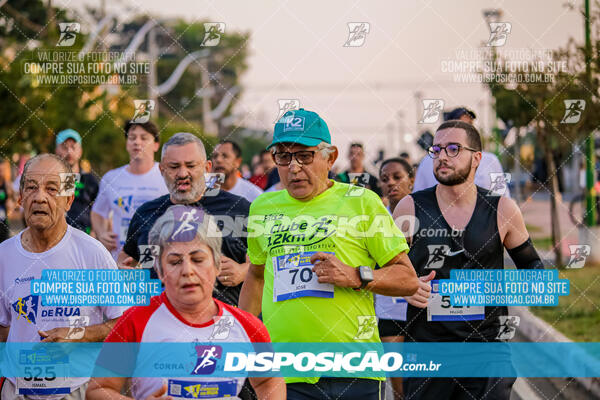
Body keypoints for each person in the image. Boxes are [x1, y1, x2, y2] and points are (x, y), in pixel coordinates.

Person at [239, 108, 419, 399]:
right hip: (285, 372)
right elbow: (256, 275)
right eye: (283, 157)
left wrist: (355, 275)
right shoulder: (263, 206)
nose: (294, 167)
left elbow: (407, 279)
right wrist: (242, 337)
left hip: (352, 369)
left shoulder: (362, 203)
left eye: (304, 155)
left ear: (330, 157)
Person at [393, 120, 544, 400]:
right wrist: (407, 287)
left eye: (453, 149)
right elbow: (387, 273)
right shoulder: (410, 208)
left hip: (487, 352)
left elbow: (534, 271)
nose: (442, 157)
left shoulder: (502, 209)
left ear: (477, 158)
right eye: (436, 150)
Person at [87, 205, 286, 400]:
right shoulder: (136, 321)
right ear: (161, 271)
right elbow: (97, 390)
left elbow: (269, 380)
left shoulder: (246, 326)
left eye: (198, 259)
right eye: (175, 262)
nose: (187, 271)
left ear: (217, 265)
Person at [0, 154, 124, 399]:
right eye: (31, 188)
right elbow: (3, 329)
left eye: (52, 189)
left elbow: (123, 323)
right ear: (22, 198)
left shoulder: (92, 254)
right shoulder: (3, 256)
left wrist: (77, 334)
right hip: (16, 390)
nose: (40, 197)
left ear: (68, 200)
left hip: (75, 390)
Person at [119, 132, 251, 307]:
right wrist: (124, 275)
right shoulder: (146, 213)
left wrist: (243, 271)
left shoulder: (239, 208)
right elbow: (126, 260)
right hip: (162, 325)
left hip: (222, 326)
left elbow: (268, 263)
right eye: (174, 167)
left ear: (207, 167)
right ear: (162, 169)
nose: (182, 173)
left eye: (191, 165)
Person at [91, 121, 168, 260]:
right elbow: (97, 212)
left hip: (158, 261)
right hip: (120, 261)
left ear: (156, 145)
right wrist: (102, 234)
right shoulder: (111, 178)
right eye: (132, 138)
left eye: (144, 138)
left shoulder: (167, 176)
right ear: (127, 143)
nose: (137, 142)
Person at [375, 157, 415, 400]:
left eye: (397, 177)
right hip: (390, 311)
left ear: (411, 180)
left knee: (427, 384)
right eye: (384, 179)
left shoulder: (429, 213)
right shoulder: (374, 218)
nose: (391, 183)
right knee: (399, 389)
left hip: (423, 311)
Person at [413, 107, 511, 196]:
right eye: (461, 125)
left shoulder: (490, 160)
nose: (468, 129)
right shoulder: (427, 162)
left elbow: (502, 194)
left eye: (470, 124)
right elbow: (418, 198)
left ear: (477, 158)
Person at [54, 129, 99, 235]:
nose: (69, 152)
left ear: (80, 151)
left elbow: (100, 212)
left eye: (73, 147)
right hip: (56, 240)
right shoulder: (50, 179)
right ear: (57, 150)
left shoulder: (90, 180)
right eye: (65, 147)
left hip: (85, 238)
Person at [0, 158, 15, 242]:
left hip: (4, 222)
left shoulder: (7, 185)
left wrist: (11, 204)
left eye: (2, 170)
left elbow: (13, 200)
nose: (1, 173)